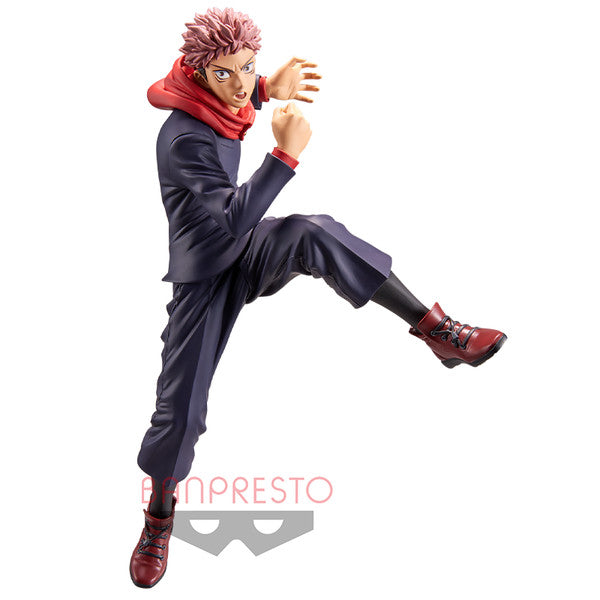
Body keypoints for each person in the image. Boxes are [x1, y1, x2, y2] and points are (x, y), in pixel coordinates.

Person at [129, 7, 507, 588]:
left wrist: (264, 87)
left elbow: (237, 99)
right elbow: (232, 217)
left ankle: (436, 331)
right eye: (227, 73)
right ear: (198, 73)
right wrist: (284, 156)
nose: (240, 84)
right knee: (180, 410)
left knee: (315, 231)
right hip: (205, 271)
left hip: (245, 246)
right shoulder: (184, 138)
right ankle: (159, 515)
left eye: (248, 67)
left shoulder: (220, 96)